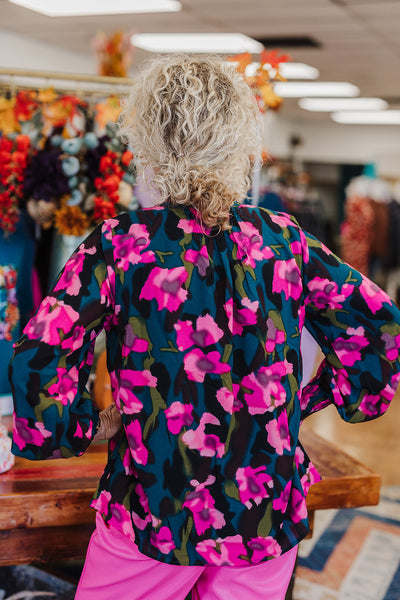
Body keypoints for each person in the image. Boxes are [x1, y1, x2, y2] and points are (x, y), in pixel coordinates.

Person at [9, 55, 400, 600]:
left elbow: (41, 356)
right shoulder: (285, 242)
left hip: (154, 504)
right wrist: (298, 402)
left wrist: (85, 425)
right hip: (264, 508)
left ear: (147, 140)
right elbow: (378, 329)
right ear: (241, 139)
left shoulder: (122, 245)